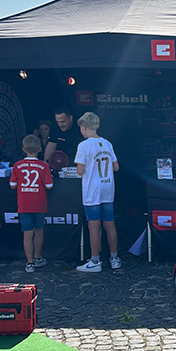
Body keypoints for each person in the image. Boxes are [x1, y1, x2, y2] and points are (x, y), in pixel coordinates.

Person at [74, 112, 120, 272]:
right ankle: (114, 258)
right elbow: (116, 167)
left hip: (92, 190)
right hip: (107, 188)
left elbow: (80, 170)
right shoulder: (107, 143)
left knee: (94, 226)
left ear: (84, 127)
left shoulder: (84, 145)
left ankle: (95, 261)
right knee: (110, 224)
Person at [10, 134, 53, 273]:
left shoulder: (17, 165)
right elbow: (49, 185)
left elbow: (12, 185)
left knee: (27, 233)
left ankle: (29, 263)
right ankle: (37, 257)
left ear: (23, 149)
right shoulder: (43, 166)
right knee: (39, 231)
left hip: (24, 204)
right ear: (40, 149)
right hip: (39, 204)